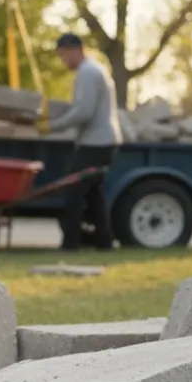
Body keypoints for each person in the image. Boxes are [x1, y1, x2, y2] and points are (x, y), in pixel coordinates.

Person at [39, 33, 124, 251]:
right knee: (94, 195)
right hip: (104, 141)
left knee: (73, 192)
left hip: (95, 143)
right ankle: (104, 243)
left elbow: (84, 112)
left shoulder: (88, 73)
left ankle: (70, 244)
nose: (63, 61)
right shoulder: (95, 70)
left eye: (63, 55)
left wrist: (52, 126)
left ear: (75, 50)